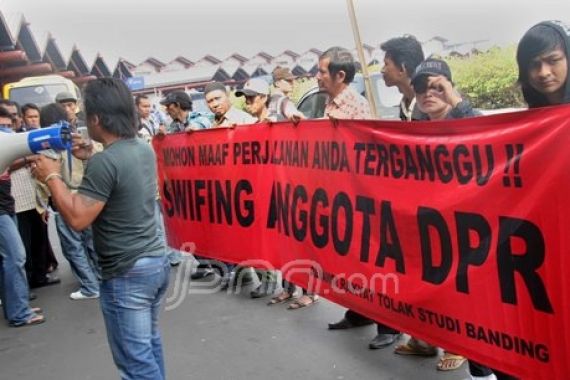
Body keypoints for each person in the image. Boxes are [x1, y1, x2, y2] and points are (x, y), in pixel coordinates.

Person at [32, 78, 170, 380]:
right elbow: (119, 176)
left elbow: (78, 218)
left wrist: (52, 176)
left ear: (95, 119)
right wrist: (94, 154)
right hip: (154, 262)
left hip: (126, 271)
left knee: (135, 365)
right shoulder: (141, 149)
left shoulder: (105, 163)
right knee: (149, 347)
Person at [463, 20, 570, 380]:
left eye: (553, 60)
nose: (544, 72)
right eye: (533, 64)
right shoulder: (527, 125)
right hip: (542, 249)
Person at [393, 57, 478, 372]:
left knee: (461, 287)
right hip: (429, 222)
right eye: (421, 88)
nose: (428, 93)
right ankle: (426, 340)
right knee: (428, 284)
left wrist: (455, 100)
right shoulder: (416, 130)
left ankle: (461, 345)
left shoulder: (471, 120)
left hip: (465, 222)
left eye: (437, 86)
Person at [37, 103, 100, 300]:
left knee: (73, 247)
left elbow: (44, 178)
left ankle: (90, 287)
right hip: (87, 195)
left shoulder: (48, 144)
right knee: (92, 243)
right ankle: (99, 279)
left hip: (64, 198)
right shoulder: (78, 138)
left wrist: (42, 204)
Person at [0, 106, 45, 327]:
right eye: (2, 127)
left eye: (8, 126)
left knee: (9, 259)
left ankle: (17, 306)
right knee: (16, 257)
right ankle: (19, 312)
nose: (6, 131)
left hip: (6, 206)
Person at [135, 94, 182, 267]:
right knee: (155, 224)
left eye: (149, 106)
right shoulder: (135, 127)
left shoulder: (155, 121)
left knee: (170, 219)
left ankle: (174, 255)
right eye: (144, 106)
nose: (147, 109)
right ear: (136, 107)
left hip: (162, 178)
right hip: (148, 181)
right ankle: (165, 255)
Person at [316, 46, 371, 119]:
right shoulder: (328, 100)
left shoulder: (359, 106)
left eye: (322, 72)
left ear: (340, 76)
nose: (317, 77)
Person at [380, 35, 425, 121]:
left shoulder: (429, 105)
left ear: (402, 68)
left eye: (386, 64)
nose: (382, 70)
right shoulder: (404, 104)